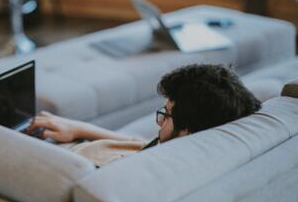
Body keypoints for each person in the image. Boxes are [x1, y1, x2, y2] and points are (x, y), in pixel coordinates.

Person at [26, 64, 262, 167]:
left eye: (166, 116)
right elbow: (144, 145)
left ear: (187, 132)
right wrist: (79, 128)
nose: (159, 122)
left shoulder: (131, 177)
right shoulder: (205, 141)